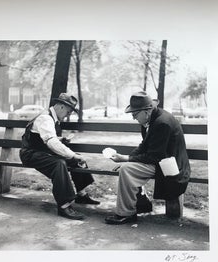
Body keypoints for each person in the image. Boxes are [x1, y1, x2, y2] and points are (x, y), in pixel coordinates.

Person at [105, 91, 190, 225]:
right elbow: (144, 146)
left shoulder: (162, 123)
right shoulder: (151, 119)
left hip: (171, 166)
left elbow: (154, 156)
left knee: (127, 169)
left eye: (135, 114)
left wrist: (126, 159)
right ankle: (140, 204)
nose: (133, 118)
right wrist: (127, 158)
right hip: (161, 161)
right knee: (127, 168)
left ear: (147, 111)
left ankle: (126, 213)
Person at [19, 93, 99, 221]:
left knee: (75, 159)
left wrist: (63, 142)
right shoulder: (46, 118)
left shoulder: (50, 117)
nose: (68, 116)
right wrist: (72, 154)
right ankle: (64, 205)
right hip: (30, 154)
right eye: (68, 112)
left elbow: (45, 137)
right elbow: (51, 142)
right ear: (61, 107)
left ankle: (81, 195)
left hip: (40, 151)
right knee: (59, 164)